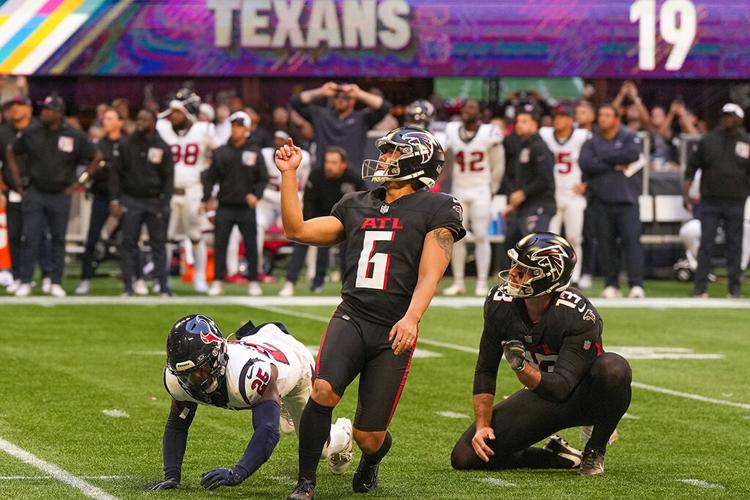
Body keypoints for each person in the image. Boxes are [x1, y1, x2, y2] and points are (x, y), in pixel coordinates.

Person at [276, 127, 465, 499]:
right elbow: (296, 229)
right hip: (353, 315)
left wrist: (412, 317)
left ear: (415, 161)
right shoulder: (355, 203)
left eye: (392, 153)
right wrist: (289, 174)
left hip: (394, 326)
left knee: (369, 436)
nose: (383, 159)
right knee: (323, 391)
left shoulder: (438, 207)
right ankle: (306, 481)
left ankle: (370, 460)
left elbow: (431, 272)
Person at [450, 232, 632, 477]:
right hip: (542, 396)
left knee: (614, 368)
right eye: (515, 265)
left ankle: (595, 449)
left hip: (583, 396)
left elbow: (561, 387)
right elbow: (485, 367)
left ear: (548, 277)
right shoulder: (500, 303)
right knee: (465, 457)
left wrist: (521, 368)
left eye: (523, 270)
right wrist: (483, 425)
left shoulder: (576, 313)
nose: (513, 273)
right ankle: (554, 456)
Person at [147, 314, 353, 491]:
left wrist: (238, 473)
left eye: (199, 370)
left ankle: (343, 432)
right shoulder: (178, 381)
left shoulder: (249, 375)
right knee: (269, 406)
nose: (194, 380)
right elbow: (178, 424)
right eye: (185, 375)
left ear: (217, 356)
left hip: (294, 366)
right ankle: (273, 403)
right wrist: (172, 476)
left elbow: (268, 431)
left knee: (319, 449)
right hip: (259, 344)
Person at [6, 96, 102, 297]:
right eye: (44, 109)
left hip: (61, 193)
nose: (44, 112)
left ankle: (56, 281)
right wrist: (17, 181)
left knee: (58, 238)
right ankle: (25, 280)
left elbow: (96, 157)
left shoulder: (74, 135)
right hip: (35, 191)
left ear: (58, 112)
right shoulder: (32, 132)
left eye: (49, 109)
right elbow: (11, 152)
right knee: (30, 237)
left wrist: (80, 182)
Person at [157, 89, 220, 293]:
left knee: (196, 235)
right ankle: (162, 278)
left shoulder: (204, 130)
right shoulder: (162, 128)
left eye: (178, 112)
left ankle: (199, 278)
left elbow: (220, 158)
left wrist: (211, 191)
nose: (173, 116)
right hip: (169, 191)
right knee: (165, 237)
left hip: (194, 190)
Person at [684, 103, 750, 298]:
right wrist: (686, 193)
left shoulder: (746, 142)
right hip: (711, 199)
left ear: (740, 119)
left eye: (731, 116)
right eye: (725, 115)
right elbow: (692, 167)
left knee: (735, 244)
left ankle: (734, 288)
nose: (727, 119)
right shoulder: (709, 140)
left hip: (736, 200)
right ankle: (700, 287)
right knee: (706, 244)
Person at [279, 146, 364, 297]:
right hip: (318, 217)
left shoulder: (353, 178)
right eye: (327, 162)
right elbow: (309, 202)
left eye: (333, 162)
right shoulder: (316, 175)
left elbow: (364, 203)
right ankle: (290, 282)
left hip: (344, 221)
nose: (329, 166)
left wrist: (351, 225)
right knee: (300, 239)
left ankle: (348, 286)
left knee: (349, 248)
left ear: (343, 164)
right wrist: (309, 226)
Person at [579, 104, 645, 299]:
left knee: (632, 242)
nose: (602, 119)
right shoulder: (592, 140)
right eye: (600, 115)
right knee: (606, 244)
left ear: (616, 119)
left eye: (607, 115)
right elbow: (585, 163)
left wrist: (601, 159)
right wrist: (613, 164)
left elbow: (632, 154)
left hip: (627, 201)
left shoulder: (628, 136)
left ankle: (636, 284)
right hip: (601, 200)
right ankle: (611, 284)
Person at [202, 111, 268, 297]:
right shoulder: (221, 152)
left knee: (251, 245)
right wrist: (206, 198)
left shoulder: (254, 152)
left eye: (239, 125)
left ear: (247, 128)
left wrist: (257, 195)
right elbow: (210, 177)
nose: (236, 129)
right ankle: (217, 280)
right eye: (233, 125)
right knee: (220, 244)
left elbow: (262, 178)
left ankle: (253, 280)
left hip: (246, 207)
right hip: (225, 205)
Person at [442, 99, 504, 296]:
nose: (467, 111)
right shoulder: (452, 129)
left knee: (481, 235)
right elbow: (447, 158)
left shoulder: (489, 132)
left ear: (480, 113)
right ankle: (458, 281)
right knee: (457, 237)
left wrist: (491, 188)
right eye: (465, 108)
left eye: (472, 108)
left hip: (480, 189)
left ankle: (481, 282)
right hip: (460, 187)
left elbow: (498, 165)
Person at [110, 109, 173, 296]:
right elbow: (116, 174)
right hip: (131, 199)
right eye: (138, 119)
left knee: (158, 244)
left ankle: (163, 285)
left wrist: (165, 202)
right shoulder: (126, 144)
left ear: (153, 122)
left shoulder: (163, 146)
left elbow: (168, 177)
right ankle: (129, 285)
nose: (139, 122)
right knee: (128, 243)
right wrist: (115, 199)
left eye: (144, 119)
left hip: (155, 200)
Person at [0, 95, 53, 294]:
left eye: (20, 105)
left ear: (29, 109)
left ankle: (47, 274)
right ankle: (17, 275)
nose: (15, 109)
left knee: (40, 235)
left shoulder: (41, 130)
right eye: (12, 105)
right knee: (14, 235)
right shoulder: (3, 132)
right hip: (13, 191)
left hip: (38, 190)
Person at [540, 103, 591, 286]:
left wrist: (587, 184)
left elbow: (594, 160)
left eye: (562, 117)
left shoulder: (582, 137)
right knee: (551, 241)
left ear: (571, 120)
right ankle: (552, 276)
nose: (558, 120)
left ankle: (574, 277)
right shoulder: (544, 135)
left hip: (573, 195)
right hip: (551, 195)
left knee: (574, 237)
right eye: (556, 117)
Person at [76, 108, 125, 295]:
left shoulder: (127, 144)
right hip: (102, 195)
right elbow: (88, 167)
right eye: (105, 118)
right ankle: (85, 278)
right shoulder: (96, 145)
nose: (106, 121)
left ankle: (132, 279)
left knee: (128, 240)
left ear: (120, 122)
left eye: (111, 118)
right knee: (92, 238)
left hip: (123, 197)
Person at [290, 81, 391, 171]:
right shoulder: (322, 116)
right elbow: (296, 102)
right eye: (337, 96)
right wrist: (322, 91)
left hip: (351, 174)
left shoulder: (361, 118)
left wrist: (359, 93)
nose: (340, 99)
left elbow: (384, 107)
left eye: (345, 97)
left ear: (353, 100)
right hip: (324, 173)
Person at [258, 131, 311, 281]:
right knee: (256, 226)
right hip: (268, 199)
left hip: (292, 199)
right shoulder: (263, 155)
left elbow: (305, 183)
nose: (278, 142)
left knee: (306, 227)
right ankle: (257, 270)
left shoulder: (303, 157)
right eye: (276, 139)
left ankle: (308, 271)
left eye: (282, 139)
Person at [502, 107, 556, 235]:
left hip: (540, 204)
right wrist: (514, 204)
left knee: (534, 245)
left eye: (524, 121)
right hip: (525, 206)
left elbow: (545, 179)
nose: (519, 125)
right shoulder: (523, 146)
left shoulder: (539, 146)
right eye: (518, 121)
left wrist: (523, 193)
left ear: (534, 125)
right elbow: (523, 178)